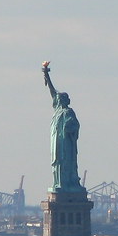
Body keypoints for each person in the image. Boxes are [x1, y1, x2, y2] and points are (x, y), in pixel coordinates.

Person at [42, 61, 83, 191]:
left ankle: (66, 183)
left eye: (61, 99)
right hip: (56, 143)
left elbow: (75, 126)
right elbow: (52, 91)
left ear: (66, 101)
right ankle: (58, 183)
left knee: (65, 162)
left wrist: (69, 128)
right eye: (58, 99)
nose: (58, 100)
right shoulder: (57, 111)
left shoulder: (69, 112)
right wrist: (46, 73)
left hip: (66, 144)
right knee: (56, 162)